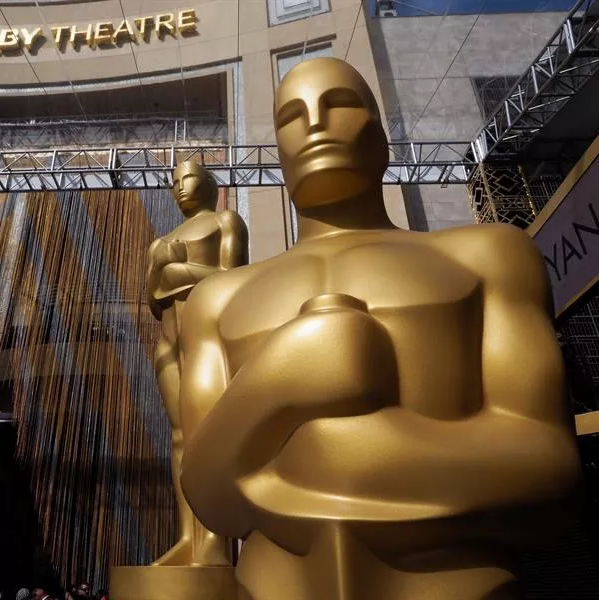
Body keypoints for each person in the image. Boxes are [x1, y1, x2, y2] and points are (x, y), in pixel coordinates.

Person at [178, 57, 581, 599]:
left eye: (339, 104)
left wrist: (332, 450)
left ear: (382, 135)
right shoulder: (218, 298)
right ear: (278, 151)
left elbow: (548, 465)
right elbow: (208, 493)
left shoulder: (487, 257)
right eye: (292, 116)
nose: (315, 123)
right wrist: (278, 378)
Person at [145, 159, 247, 566]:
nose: (181, 187)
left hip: (205, 341)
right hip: (168, 343)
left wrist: (174, 266)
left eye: (188, 178)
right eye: (174, 182)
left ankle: (214, 543)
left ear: (207, 183)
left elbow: (232, 277)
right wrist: (160, 265)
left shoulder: (225, 221)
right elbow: (153, 299)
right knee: (180, 438)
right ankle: (187, 538)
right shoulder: (162, 239)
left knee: (206, 435)